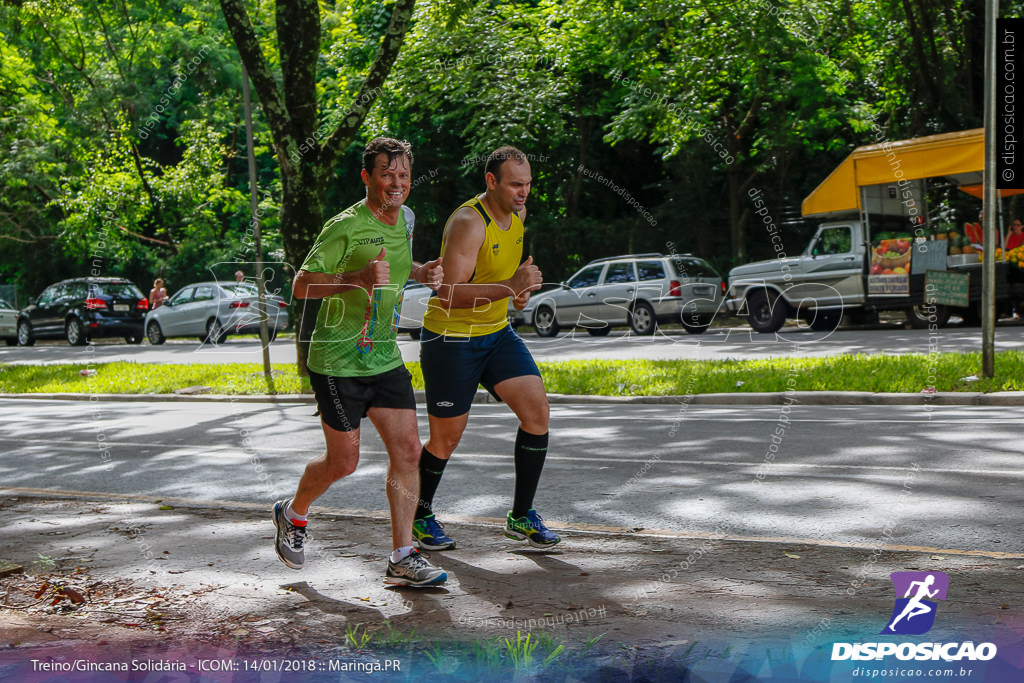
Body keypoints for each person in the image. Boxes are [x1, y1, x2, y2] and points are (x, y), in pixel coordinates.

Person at [272, 137, 447, 587]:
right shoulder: (344, 226)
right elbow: (301, 285)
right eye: (387, 173)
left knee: (409, 450)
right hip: (336, 361)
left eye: (404, 175)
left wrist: (422, 272)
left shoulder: (405, 219)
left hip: (384, 356)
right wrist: (356, 278)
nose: (397, 183)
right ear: (366, 176)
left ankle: (403, 556)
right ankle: (293, 514)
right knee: (344, 462)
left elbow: (394, 268)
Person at [413, 145, 559, 551]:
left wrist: (518, 290)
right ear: (491, 181)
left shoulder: (518, 216)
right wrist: (509, 286)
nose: (523, 192)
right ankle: (419, 515)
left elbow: (502, 278)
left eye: (528, 184)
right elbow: (449, 294)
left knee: (537, 413)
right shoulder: (468, 223)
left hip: (495, 334)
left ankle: (521, 515)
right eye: (515, 184)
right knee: (446, 440)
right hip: (452, 340)